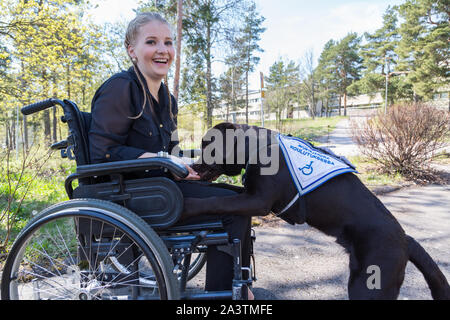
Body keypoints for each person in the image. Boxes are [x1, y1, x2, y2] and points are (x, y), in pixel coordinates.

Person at [88, 12, 253, 297]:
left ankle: (237, 286)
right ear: (132, 50)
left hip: (158, 186)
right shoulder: (121, 88)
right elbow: (102, 154)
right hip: (128, 195)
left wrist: (192, 163)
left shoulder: (166, 98)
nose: (163, 50)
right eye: (151, 42)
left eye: (168, 42)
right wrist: (165, 161)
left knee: (240, 196)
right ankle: (225, 295)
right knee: (233, 208)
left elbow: (168, 150)